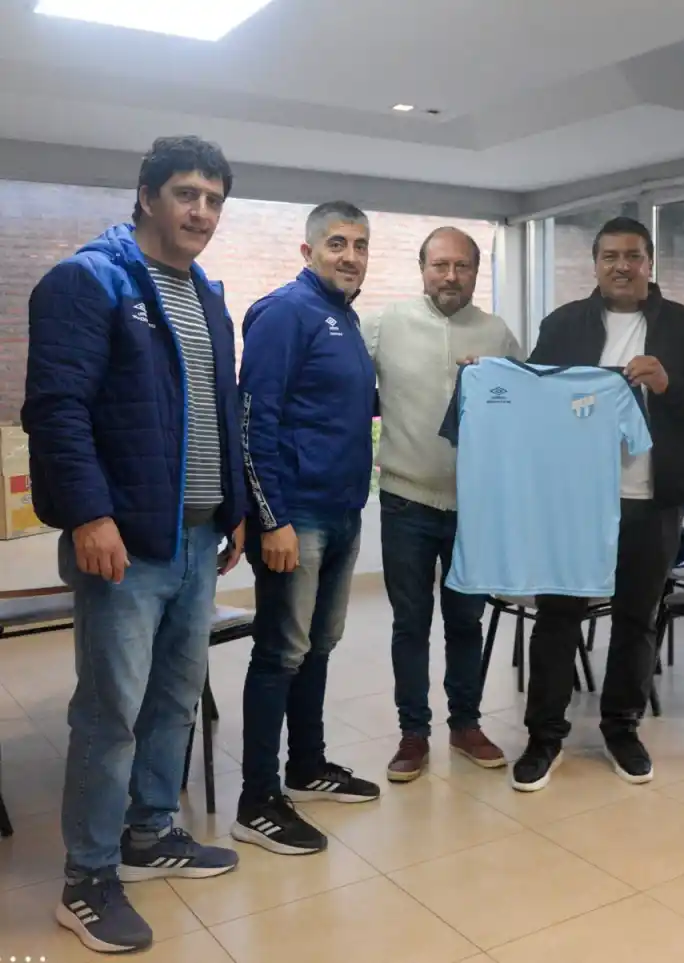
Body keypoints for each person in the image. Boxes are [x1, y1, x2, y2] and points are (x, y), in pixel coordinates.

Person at [22, 136, 247, 953]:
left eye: (215, 200)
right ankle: (86, 877)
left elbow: (222, 410)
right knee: (110, 711)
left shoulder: (207, 295)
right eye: (187, 194)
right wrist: (89, 515)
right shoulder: (89, 281)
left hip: (196, 533)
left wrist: (236, 508)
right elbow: (55, 409)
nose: (202, 213)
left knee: (173, 700)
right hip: (124, 540)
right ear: (146, 194)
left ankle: (151, 830)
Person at [512, 216, 684, 792]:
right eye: (610, 255)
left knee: (638, 619)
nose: (621, 265)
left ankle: (622, 727)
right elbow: (533, 396)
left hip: (654, 499)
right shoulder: (563, 324)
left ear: (649, 262)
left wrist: (671, 386)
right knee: (558, 617)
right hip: (576, 498)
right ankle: (544, 737)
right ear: (595, 264)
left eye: (632, 256)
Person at [233, 202, 381, 855]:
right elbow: (253, 422)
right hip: (298, 516)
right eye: (338, 243)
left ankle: (307, 764)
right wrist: (273, 518)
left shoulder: (342, 319)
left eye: (360, 245)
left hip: (343, 509)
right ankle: (257, 799)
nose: (351, 255)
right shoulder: (285, 313)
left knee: (319, 645)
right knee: (280, 652)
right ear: (308, 250)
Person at [360, 227, 522, 783]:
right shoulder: (383, 325)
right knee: (410, 622)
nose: (451, 276)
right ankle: (413, 733)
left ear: (477, 272)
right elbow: (347, 391)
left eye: (463, 267)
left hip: (474, 506)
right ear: (422, 267)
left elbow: (521, 413)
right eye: (440, 265)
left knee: (466, 622)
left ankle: (466, 724)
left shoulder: (498, 333)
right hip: (405, 499)